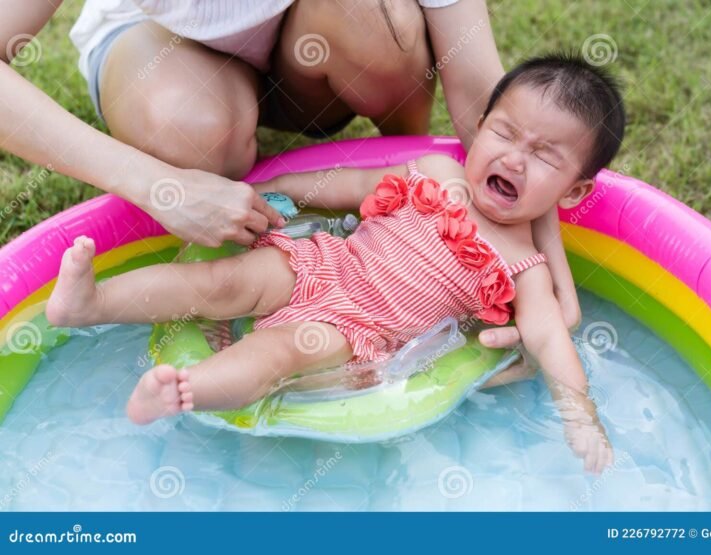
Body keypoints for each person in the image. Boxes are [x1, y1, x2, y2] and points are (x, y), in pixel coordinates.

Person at [46, 54, 625, 473]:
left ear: (571, 195)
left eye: (545, 156)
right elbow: (345, 184)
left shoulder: (525, 267)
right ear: (479, 129)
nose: (515, 159)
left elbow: (552, 342)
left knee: (279, 353)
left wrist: (580, 416)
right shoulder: (435, 173)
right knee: (220, 281)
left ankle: (183, 389)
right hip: (322, 263)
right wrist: (273, 188)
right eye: (505, 132)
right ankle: (90, 302)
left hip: (358, 330)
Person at [1, 0, 581, 356]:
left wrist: (549, 279)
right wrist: (159, 185)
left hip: (312, 59)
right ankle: (211, 152)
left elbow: (484, 102)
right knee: (193, 133)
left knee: (379, 16)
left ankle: (404, 198)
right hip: (165, 49)